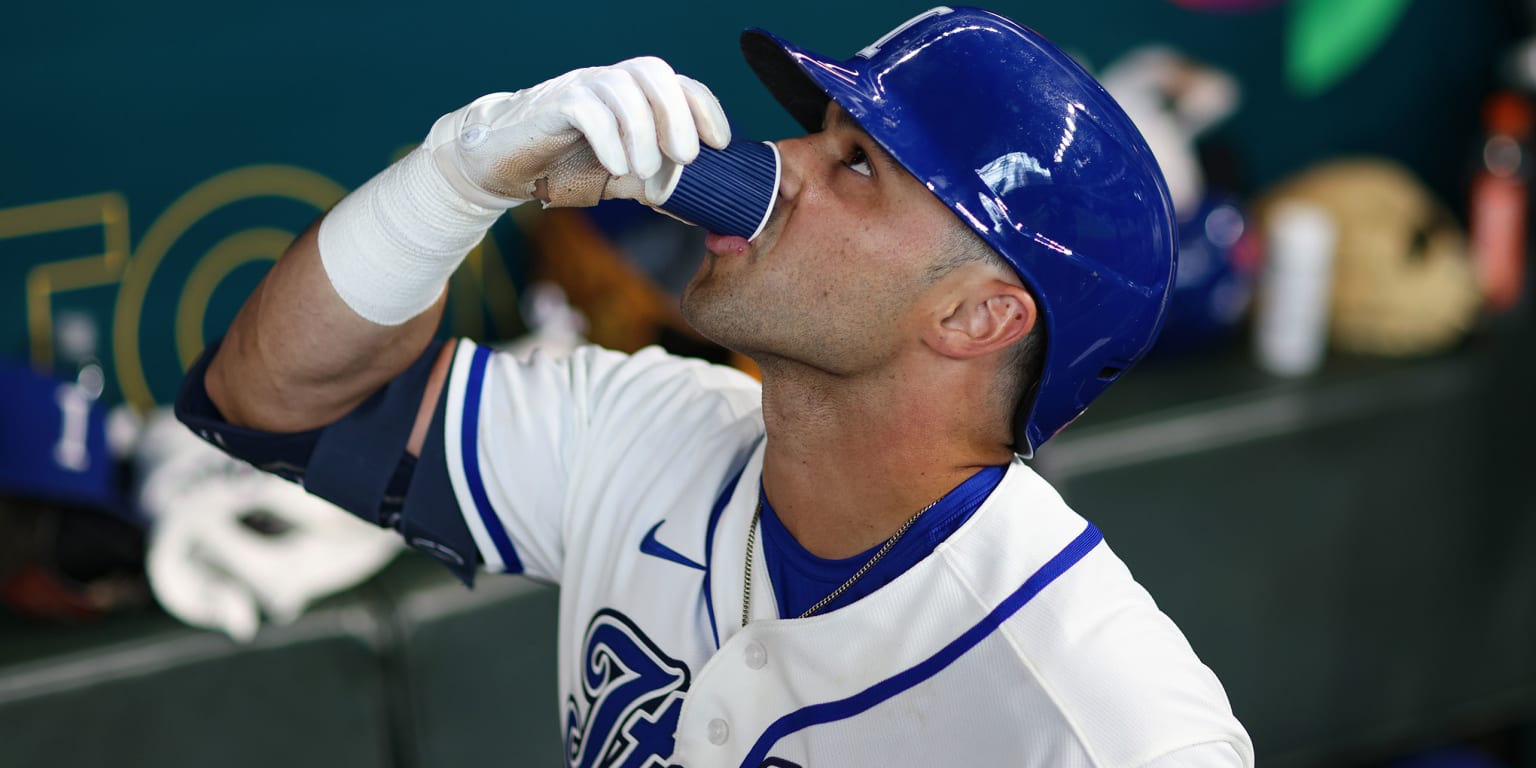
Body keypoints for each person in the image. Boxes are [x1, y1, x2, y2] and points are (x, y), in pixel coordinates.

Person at [176, 6, 1254, 766]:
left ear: (977, 317)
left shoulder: (1113, 729)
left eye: (857, 165)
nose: (780, 162)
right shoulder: (647, 430)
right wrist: (451, 182)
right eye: (817, 135)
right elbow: (278, 398)